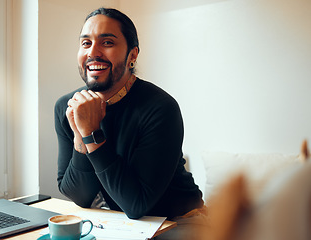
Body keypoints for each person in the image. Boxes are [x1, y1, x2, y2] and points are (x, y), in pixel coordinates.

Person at [54, 7, 205, 239]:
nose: (93, 52)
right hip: (120, 221)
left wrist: (92, 133)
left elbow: (137, 204)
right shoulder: (68, 106)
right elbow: (79, 196)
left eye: (107, 43)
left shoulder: (160, 107)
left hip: (178, 221)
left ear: (132, 55)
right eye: (86, 43)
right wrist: (79, 136)